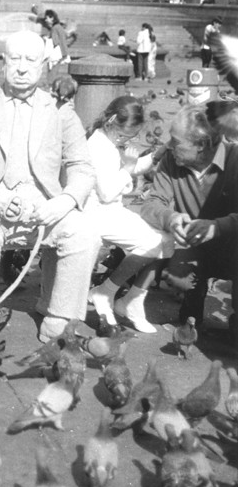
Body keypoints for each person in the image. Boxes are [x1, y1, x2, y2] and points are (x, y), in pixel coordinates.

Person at [0, 29, 99, 342]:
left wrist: (65, 200)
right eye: (15, 59)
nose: (23, 67)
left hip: (45, 206)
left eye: (31, 60)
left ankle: (59, 316)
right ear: (3, 62)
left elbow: (83, 166)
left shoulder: (61, 111)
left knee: (84, 233)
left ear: (43, 66)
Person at [140, 105, 238, 339]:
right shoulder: (170, 161)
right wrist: (171, 218)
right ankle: (192, 316)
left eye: (176, 141)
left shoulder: (236, 160)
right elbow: (151, 203)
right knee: (178, 278)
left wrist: (217, 227)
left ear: (201, 145)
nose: (169, 145)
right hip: (193, 245)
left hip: (233, 246)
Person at [85, 97, 173, 332]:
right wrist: (127, 167)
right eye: (125, 135)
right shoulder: (97, 146)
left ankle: (129, 301)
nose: (126, 140)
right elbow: (106, 192)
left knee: (166, 240)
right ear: (112, 122)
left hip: (112, 211)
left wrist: (157, 155)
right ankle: (106, 292)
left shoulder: (108, 140)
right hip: (98, 214)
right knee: (154, 242)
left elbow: (130, 168)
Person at [40, 8, 70, 81]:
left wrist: (65, 54)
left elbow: (61, 41)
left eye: (47, 18)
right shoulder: (56, 27)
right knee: (52, 71)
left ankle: (51, 87)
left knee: (52, 73)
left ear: (52, 18)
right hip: (55, 53)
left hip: (56, 54)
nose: (46, 20)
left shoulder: (56, 28)